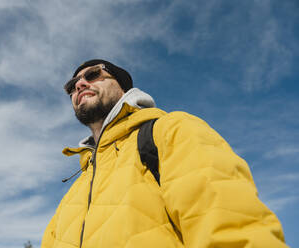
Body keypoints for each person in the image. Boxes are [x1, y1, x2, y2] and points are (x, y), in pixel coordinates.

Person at [41, 59, 287, 248]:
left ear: (124, 88)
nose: (80, 84)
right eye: (72, 86)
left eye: (93, 74)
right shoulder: (76, 189)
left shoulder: (170, 130)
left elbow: (229, 224)